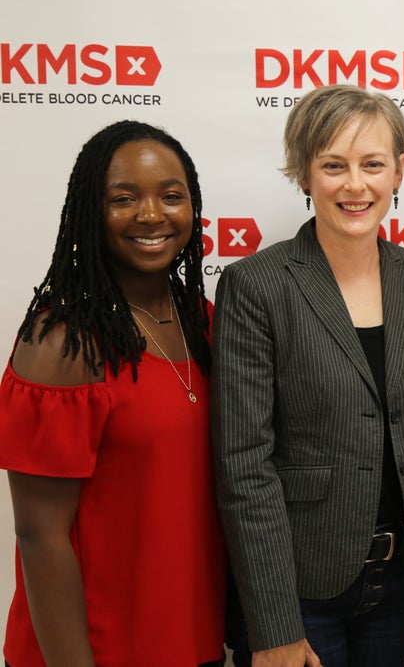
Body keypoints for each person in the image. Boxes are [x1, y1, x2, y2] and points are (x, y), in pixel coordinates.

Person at [212, 84, 404, 667]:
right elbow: (244, 466)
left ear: (399, 170)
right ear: (305, 173)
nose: (356, 185)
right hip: (299, 593)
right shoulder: (257, 285)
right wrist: (274, 626)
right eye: (333, 166)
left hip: (397, 583)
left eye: (372, 164)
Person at [0, 121, 226, 667]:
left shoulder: (203, 320)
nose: (151, 215)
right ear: (90, 212)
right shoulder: (63, 342)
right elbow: (39, 536)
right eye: (123, 199)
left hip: (192, 640)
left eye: (171, 196)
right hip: (97, 651)